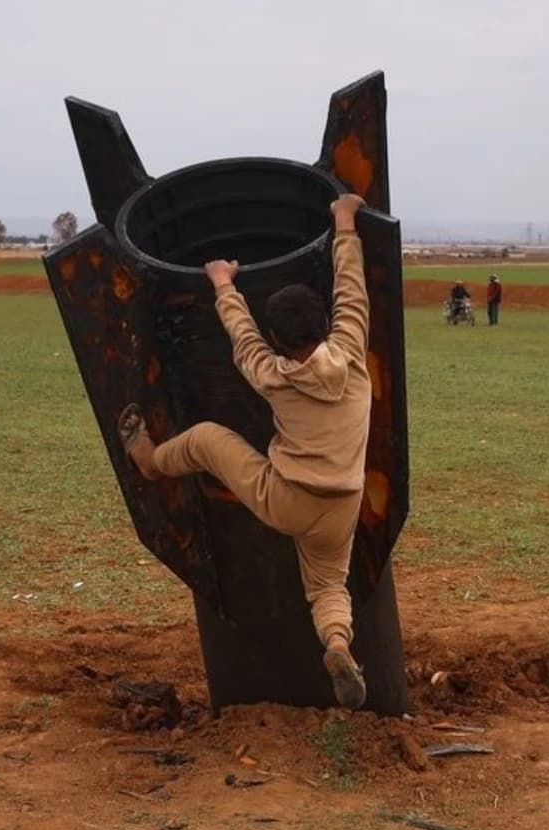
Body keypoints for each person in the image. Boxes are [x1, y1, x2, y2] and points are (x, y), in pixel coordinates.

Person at [118, 193, 371, 709]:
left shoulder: (274, 376)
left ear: (278, 339)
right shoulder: (351, 353)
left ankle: (149, 461)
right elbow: (352, 290)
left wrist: (222, 283)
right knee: (327, 585)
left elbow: (243, 339)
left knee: (208, 439)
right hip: (342, 504)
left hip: (285, 497)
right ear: (325, 324)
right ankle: (338, 642)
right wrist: (344, 222)